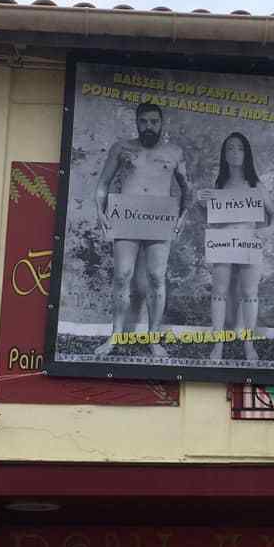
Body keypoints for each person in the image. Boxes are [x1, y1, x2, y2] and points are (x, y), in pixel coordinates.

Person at [94, 102, 189, 358]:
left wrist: (183, 217)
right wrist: (100, 212)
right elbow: (103, 184)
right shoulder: (121, 148)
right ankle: (115, 335)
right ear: (136, 122)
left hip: (160, 219)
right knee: (122, 275)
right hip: (127, 217)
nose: (149, 126)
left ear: (161, 123)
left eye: (154, 122)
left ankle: (154, 338)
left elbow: (186, 189)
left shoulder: (174, 152)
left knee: (157, 277)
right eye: (144, 121)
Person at [197, 132, 274, 363]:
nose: (235, 152)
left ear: (246, 153)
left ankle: (248, 345)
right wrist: (200, 204)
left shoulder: (256, 185)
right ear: (224, 154)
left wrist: (267, 231)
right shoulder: (219, 186)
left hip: (249, 242)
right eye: (230, 148)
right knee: (219, 292)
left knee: (249, 293)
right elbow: (209, 220)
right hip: (223, 242)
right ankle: (218, 344)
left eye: (240, 148)